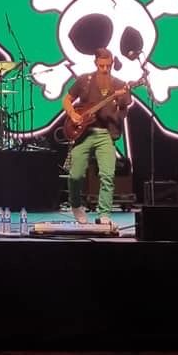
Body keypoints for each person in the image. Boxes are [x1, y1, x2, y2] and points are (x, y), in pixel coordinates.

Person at [62, 48, 133, 225]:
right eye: (102, 65)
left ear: (112, 63)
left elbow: (124, 109)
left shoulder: (119, 84)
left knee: (107, 175)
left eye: (108, 65)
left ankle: (104, 214)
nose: (105, 69)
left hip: (105, 135)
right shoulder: (84, 80)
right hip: (84, 134)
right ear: (96, 63)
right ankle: (76, 205)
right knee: (75, 175)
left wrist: (121, 101)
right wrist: (73, 114)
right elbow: (66, 100)